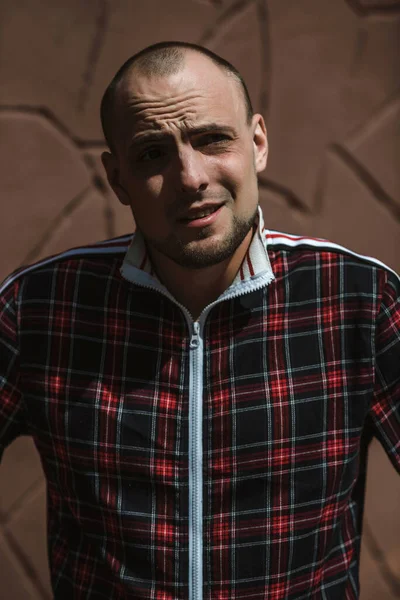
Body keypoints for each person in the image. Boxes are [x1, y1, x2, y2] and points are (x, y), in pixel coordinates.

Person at [0, 41, 399, 600]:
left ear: (257, 142)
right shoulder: (39, 309)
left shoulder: (358, 298)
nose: (190, 177)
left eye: (212, 139)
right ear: (117, 179)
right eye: (151, 154)